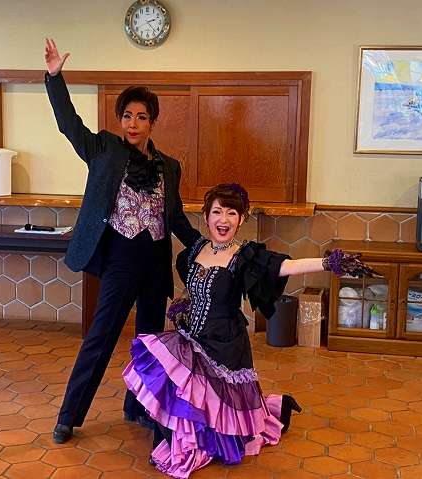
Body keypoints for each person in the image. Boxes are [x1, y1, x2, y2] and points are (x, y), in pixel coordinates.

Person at [123, 183, 374, 478]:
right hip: (191, 337)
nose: (223, 219)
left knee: (218, 418)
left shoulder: (244, 256)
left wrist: (327, 262)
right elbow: (195, 289)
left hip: (224, 346)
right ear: (206, 216)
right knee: (160, 371)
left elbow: (286, 266)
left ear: (242, 218)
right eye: (217, 212)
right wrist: (184, 304)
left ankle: (269, 413)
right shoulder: (195, 251)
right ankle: (174, 438)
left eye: (232, 213)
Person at [43, 38, 201, 444]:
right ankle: (68, 416)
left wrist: (204, 246)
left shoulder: (170, 166)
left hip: (154, 263)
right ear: (120, 119)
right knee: (101, 337)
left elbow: (174, 216)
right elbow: (68, 124)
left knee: (149, 342)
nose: (133, 123)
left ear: (152, 122)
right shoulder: (104, 149)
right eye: (127, 115)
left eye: (141, 117)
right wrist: (55, 77)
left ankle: (139, 407)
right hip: (119, 260)